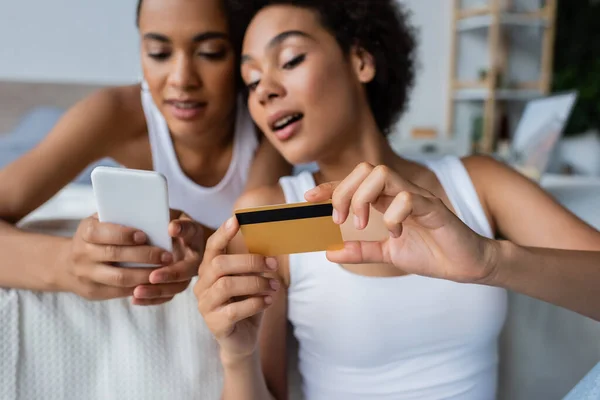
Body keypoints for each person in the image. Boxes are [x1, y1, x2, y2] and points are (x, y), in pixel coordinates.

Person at [194, 1, 600, 399]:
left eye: (290, 59)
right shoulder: (272, 214)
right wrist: (237, 356)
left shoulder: (478, 182)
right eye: (251, 81)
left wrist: (488, 261)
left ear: (361, 61)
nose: (264, 90)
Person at [0, 0, 289, 305]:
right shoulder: (113, 114)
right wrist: (68, 265)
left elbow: (260, 252)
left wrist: (200, 243)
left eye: (210, 53)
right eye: (159, 53)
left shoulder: (269, 122)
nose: (181, 79)